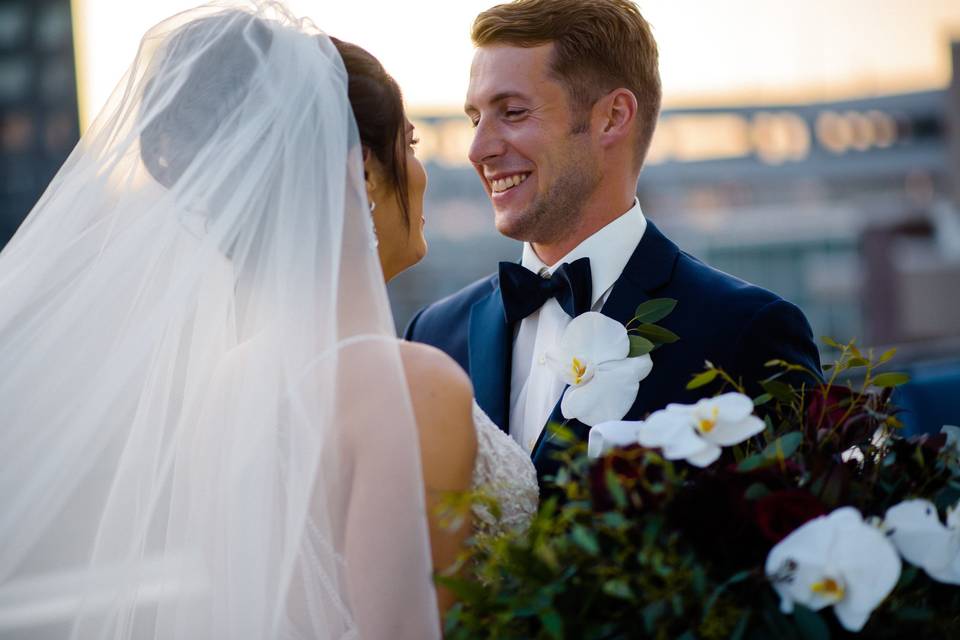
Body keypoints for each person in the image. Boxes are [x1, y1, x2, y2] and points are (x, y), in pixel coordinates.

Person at [0, 2, 536, 638]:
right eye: (411, 144)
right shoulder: (410, 386)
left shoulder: (228, 384)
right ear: (361, 167)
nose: (422, 172)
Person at [405, 0, 823, 487]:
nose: (477, 149)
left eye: (513, 112)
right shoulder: (431, 338)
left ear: (613, 117)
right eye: (476, 118)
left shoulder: (747, 333)